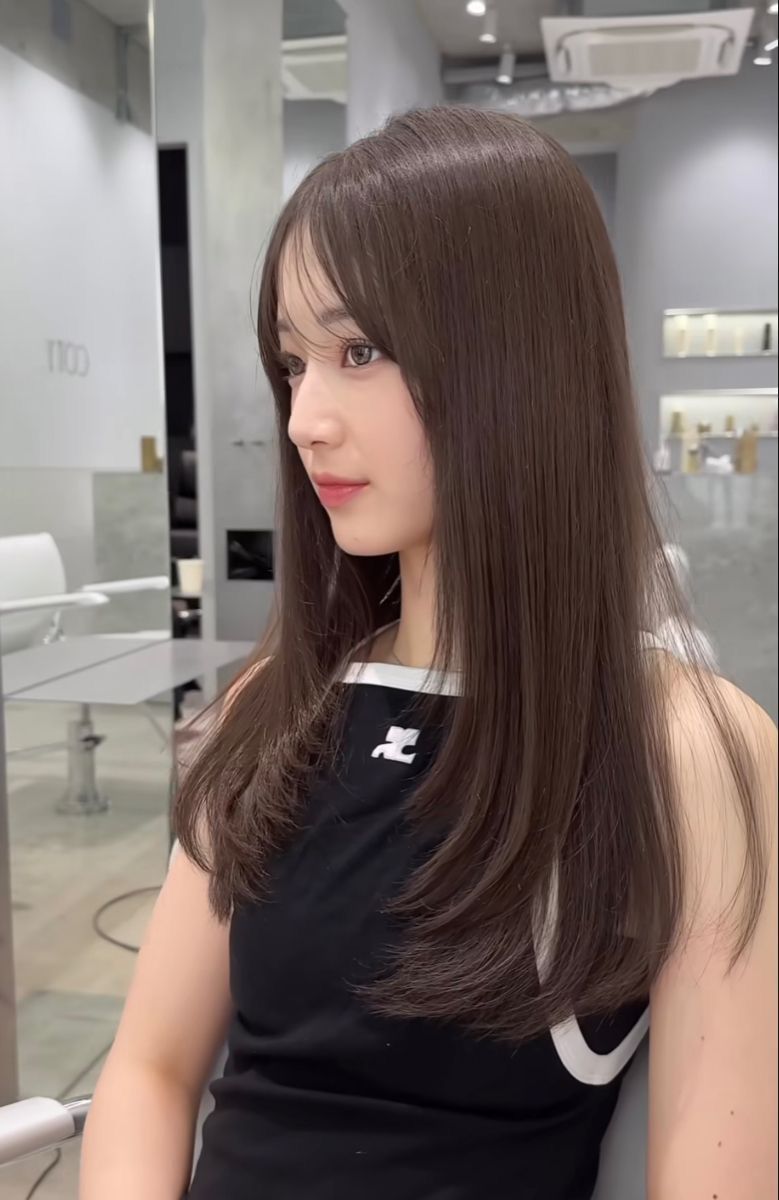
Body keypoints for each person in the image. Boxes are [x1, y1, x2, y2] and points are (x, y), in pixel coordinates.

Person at [80, 107, 777, 1200]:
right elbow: (151, 1072)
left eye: (357, 352)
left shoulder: (681, 751)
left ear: (516, 364)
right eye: (292, 362)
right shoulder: (278, 709)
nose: (304, 418)